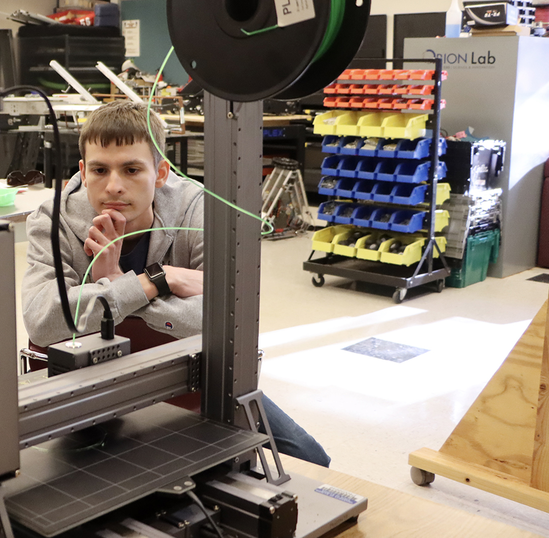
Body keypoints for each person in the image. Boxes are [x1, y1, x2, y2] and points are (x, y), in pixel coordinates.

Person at [22, 100, 330, 467]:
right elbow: (41, 321)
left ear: (161, 172)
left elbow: (224, 319)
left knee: (309, 457)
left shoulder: (195, 208)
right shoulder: (52, 219)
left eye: (132, 169)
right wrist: (156, 281)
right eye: (100, 170)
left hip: (187, 378)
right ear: (83, 172)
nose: (113, 186)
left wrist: (116, 286)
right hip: (87, 384)